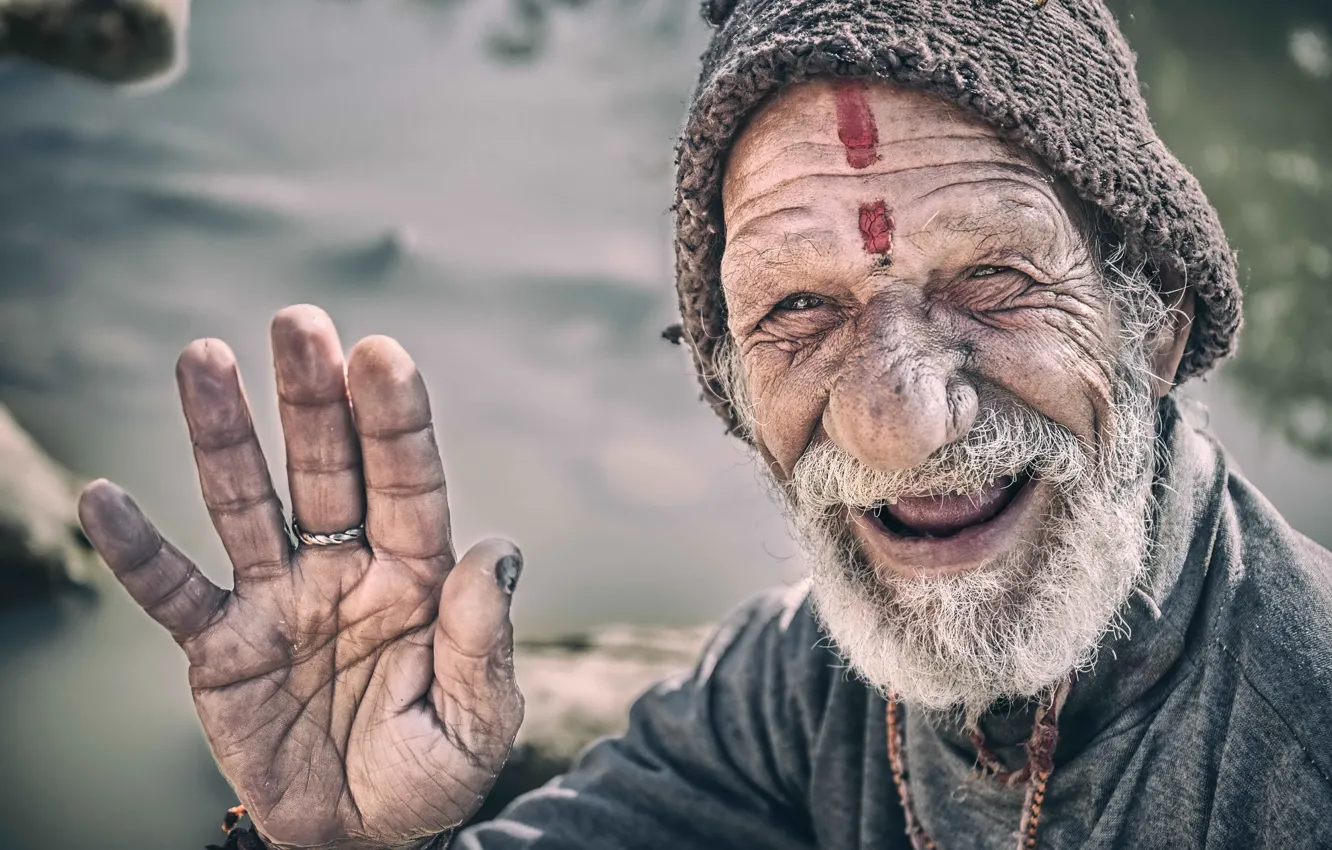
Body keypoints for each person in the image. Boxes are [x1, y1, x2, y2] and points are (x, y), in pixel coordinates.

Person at [76, 1, 1332, 848]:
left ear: (1154, 317)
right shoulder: (800, 690)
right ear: (729, 385)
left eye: (994, 278)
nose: (900, 425)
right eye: (798, 307)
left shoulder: (1300, 745)